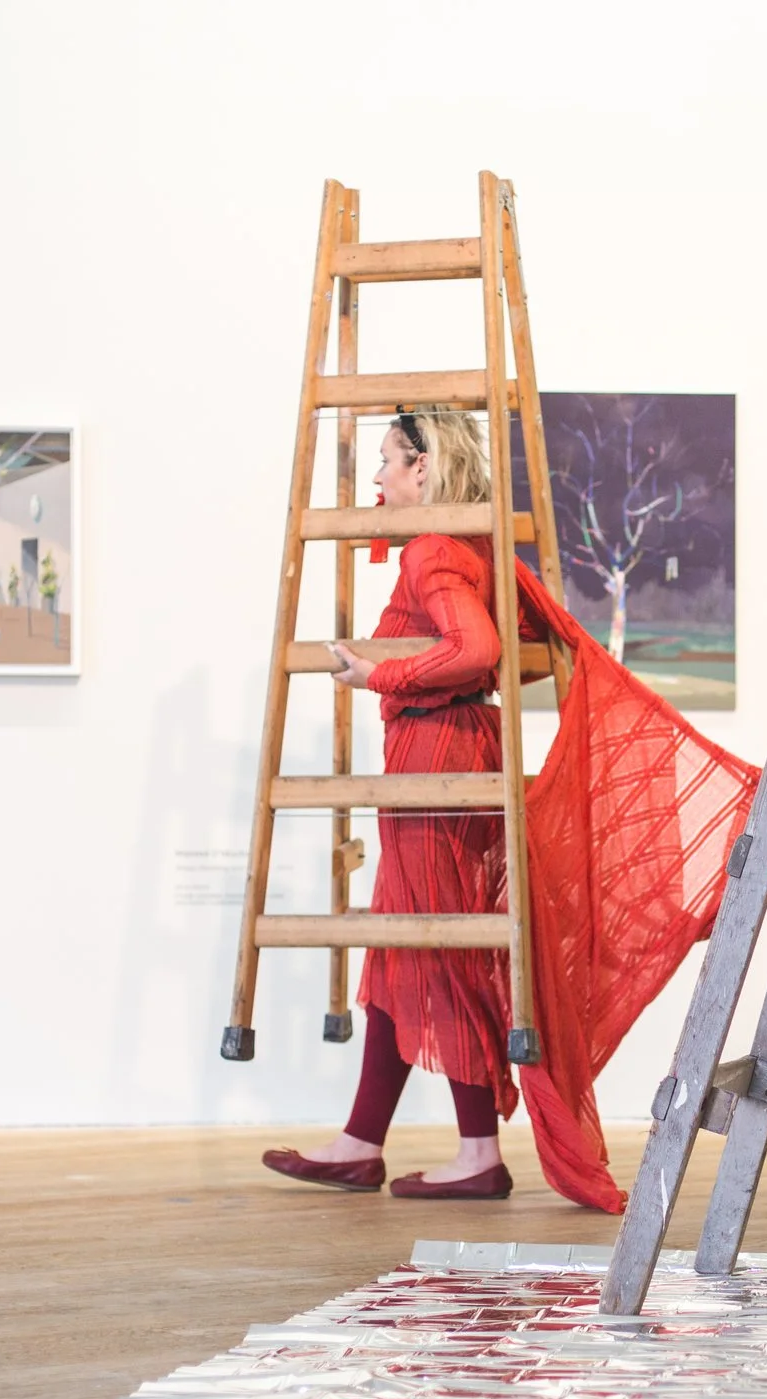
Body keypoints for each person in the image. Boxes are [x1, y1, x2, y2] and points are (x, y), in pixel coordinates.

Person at [262, 409, 519, 1200]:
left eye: (386, 461)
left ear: (423, 467)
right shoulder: (466, 545)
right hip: (443, 746)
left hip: (436, 751)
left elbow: (476, 648)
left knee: (436, 944)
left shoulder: (434, 547)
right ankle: (361, 1141)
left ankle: (478, 1154)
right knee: (405, 945)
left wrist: (378, 675)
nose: (375, 478)